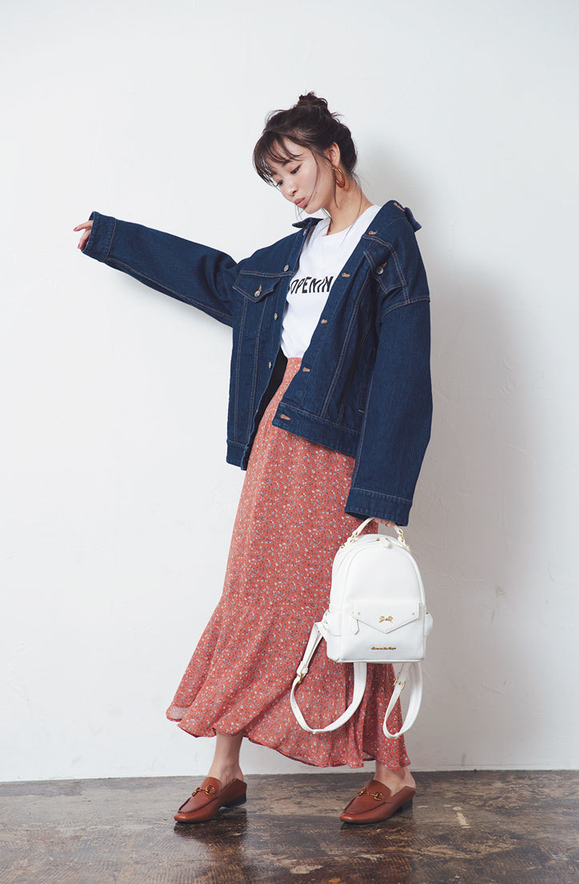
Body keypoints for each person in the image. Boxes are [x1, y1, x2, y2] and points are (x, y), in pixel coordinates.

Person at [74, 91, 433, 825]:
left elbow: (404, 372)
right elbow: (215, 278)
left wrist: (382, 491)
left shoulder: (387, 242)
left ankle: (393, 771)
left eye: (294, 168)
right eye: (275, 180)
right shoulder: (293, 254)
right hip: (279, 437)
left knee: (353, 602)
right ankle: (225, 768)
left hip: (340, 449)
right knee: (249, 593)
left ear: (333, 153)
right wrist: (112, 238)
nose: (288, 188)